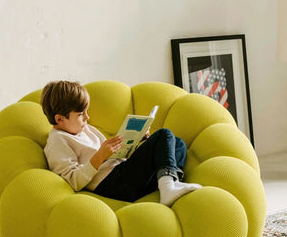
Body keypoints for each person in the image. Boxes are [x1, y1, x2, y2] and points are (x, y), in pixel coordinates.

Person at [41, 80, 201, 206]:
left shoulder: (84, 129)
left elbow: (115, 157)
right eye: (81, 114)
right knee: (164, 135)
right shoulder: (57, 141)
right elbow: (73, 181)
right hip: (111, 184)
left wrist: (138, 141)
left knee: (177, 144)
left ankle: (168, 182)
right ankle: (168, 186)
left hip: (122, 173)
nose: (87, 118)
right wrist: (99, 156)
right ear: (59, 119)